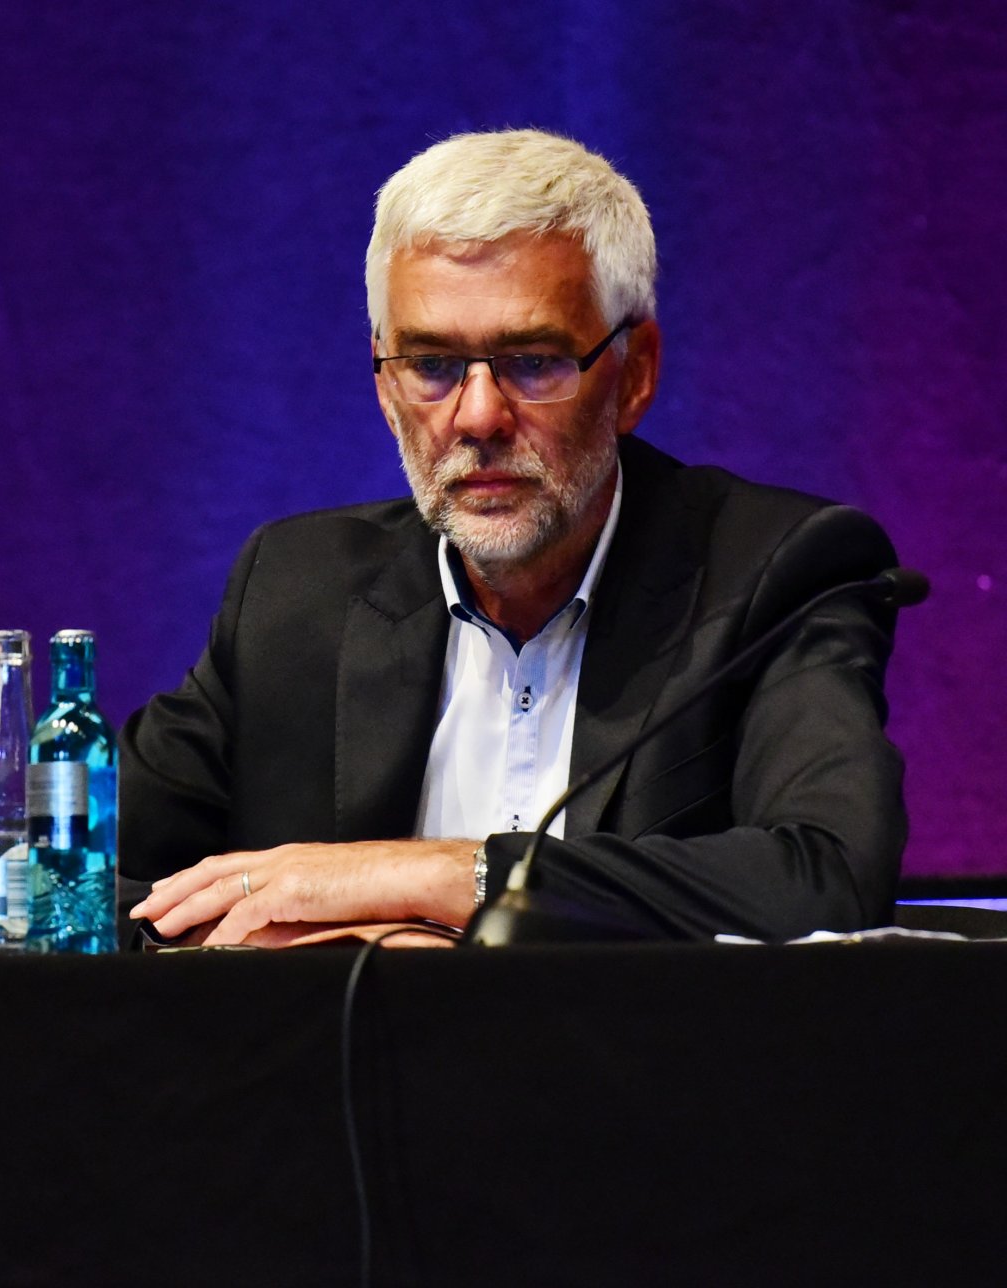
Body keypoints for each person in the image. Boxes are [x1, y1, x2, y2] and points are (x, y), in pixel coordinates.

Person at [123, 129, 905, 947]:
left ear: (634, 375)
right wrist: (275, 947)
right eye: (431, 365)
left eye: (533, 362)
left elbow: (830, 879)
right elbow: (23, 893)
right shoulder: (295, 595)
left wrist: (450, 877)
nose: (480, 416)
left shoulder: (776, 574)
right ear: (386, 389)